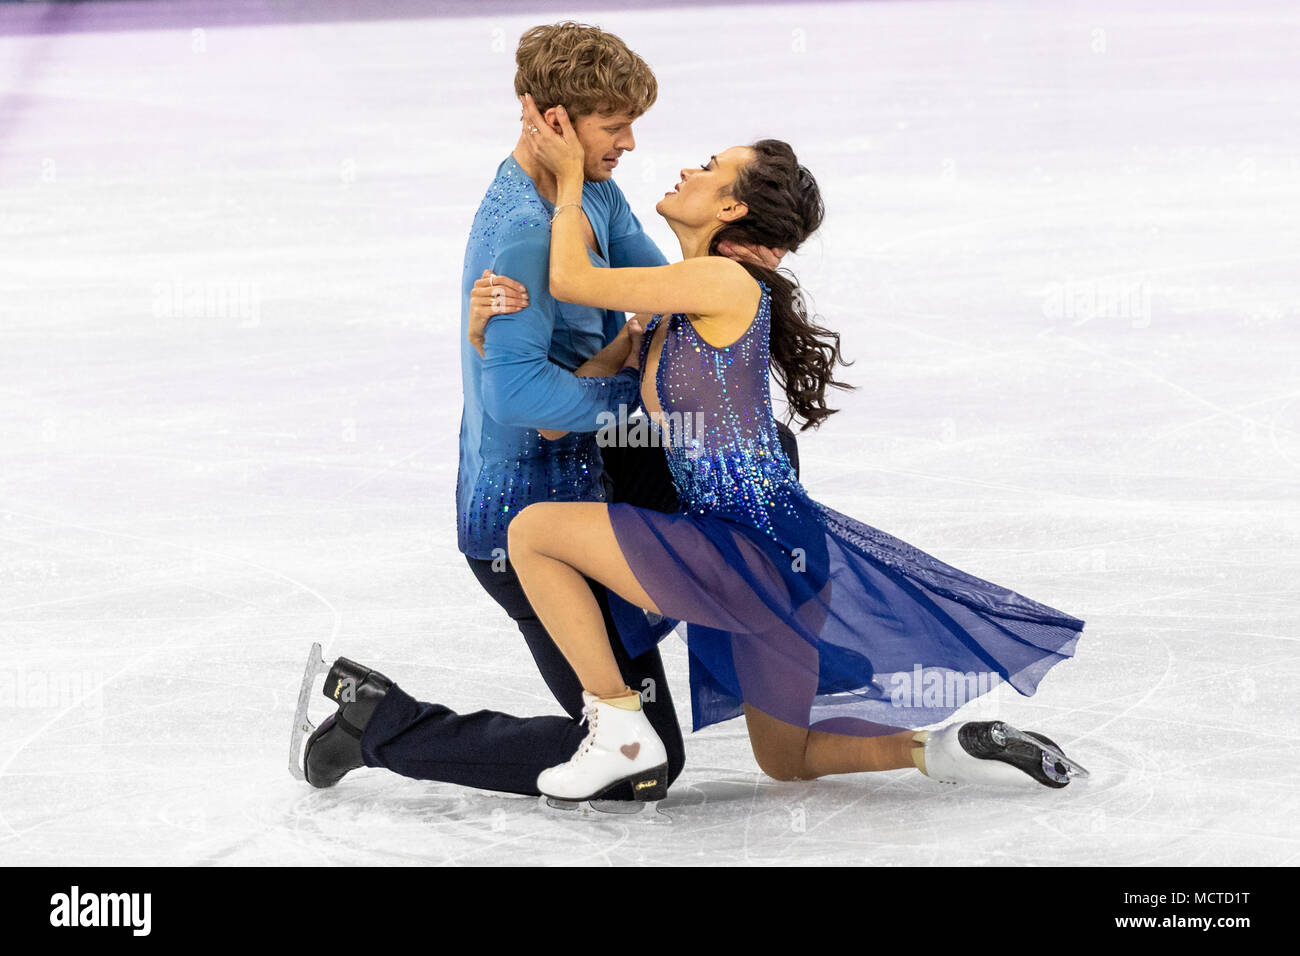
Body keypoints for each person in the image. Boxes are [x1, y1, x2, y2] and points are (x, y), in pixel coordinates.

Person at [484, 94, 1090, 804]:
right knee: (788, 757)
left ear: (732, 209)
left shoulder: (721, 280)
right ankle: (948, 749)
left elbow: (571, 280)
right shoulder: (666, 314)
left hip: (743, 543)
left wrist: (565, 182)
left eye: (710, 167)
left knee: (531, 533)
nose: (687, 168)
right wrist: (489, 334)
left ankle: (617, 723)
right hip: (783, 548)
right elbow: (559, 416)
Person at [290, 22, 793, 803]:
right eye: (614, 125)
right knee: (646, 768)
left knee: (774, 453)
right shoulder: (524, 231)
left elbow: (660, 291)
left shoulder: (588, 189)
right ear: (552, 120)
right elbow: (520, 400)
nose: (629, 141)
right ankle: (380, 724)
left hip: (597, 488)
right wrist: (659, 400)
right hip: (521, 522)